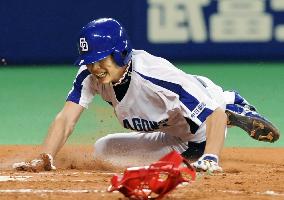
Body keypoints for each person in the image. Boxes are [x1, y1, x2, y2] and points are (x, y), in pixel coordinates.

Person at [13, 18, 280, 173]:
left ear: (120, 53)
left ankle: (232, 103)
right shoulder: (90, 76)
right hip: (173, 131)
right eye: (90, 61)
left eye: (100, 59)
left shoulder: (155, 77)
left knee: (212, 114)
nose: (94, 67)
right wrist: (45, 156)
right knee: (104, 151)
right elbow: (66, 118)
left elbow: (215, 116)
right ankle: (215, 104)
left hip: (203, 129)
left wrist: (211, 158)